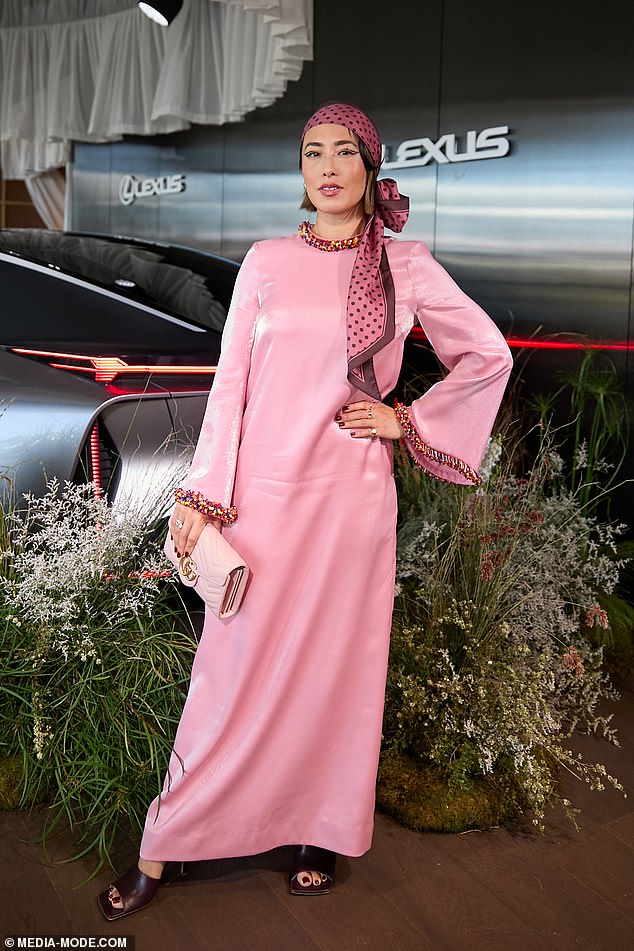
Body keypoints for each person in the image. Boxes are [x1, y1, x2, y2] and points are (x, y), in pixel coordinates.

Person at [98, 101, 513, 920]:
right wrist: (205, 497)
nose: (326, 167)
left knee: (336, 677)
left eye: (343, 154)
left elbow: (487, 354)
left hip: (352, 506)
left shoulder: (408, 263)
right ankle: (165, 839)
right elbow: (232, 388)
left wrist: (405, 419)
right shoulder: (264, 261)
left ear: (369, 167)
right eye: (311, 153)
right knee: (226, 675)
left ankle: (318, 830)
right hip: (262, 504)